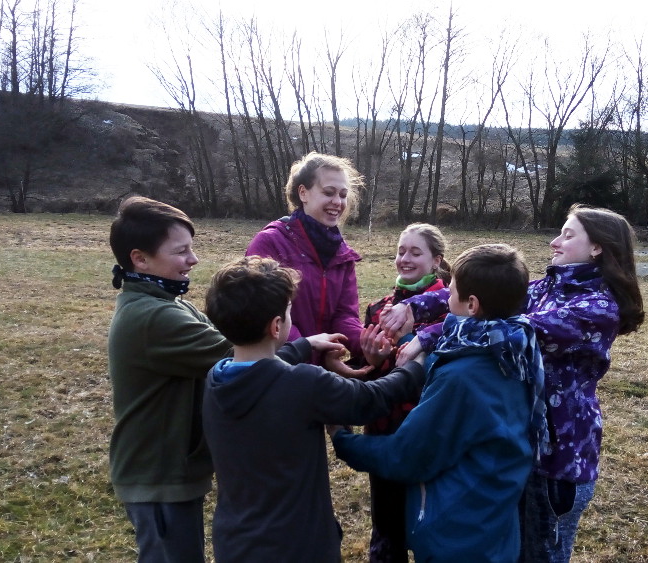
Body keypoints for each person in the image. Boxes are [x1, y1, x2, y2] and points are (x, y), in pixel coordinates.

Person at [383, 204, 646, 562]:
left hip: (557, 463)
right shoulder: (547, 289)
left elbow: (510, 331)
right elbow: (482, 292)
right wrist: (414, 307)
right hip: (523, 453)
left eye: (568, 235)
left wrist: (427, 336)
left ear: (597, 247)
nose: (554, 242)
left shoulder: (598, 308)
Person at [201, 255, 427, 563]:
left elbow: (262, 369)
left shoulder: (217, 379)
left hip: (236, 543)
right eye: (289, 311)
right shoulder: (303, 384)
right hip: (298, 546)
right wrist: (414, 367)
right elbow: (369, 399)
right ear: (277, 326)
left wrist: (305, 344)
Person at [330, 243, 546, 563]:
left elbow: (407, 456)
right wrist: (408, 346)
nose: (446, 297)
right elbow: (449, 356)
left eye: (452, 291)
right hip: (493, 524)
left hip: (457, 537)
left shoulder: (463, 377)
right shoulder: (516, 348)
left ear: (472, 305)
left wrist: (343, 439)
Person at [107, 196, 231, 562]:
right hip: (158, 478)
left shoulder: (169, 303)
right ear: (140, 259)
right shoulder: (154, 316)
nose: (193, 259)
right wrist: (303, 345)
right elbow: (240, 357)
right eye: (181, 251)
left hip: (170, 471)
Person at [356, 223, 451, 563]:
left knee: (434, 531)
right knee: (387, 527)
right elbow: (366, 374)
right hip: (385, 431)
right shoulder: (378, 308)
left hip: (430, 433)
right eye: (400, 251)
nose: (404, 259)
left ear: (436, 260)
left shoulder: (454, 309)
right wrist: (371, 361)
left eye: (415, 252)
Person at [244, 152, 365, 365]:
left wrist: (368, 345)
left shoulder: (342, 254)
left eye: (343, 195)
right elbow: (266, 314)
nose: (338, 202)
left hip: (319, 372)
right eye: (329, 192)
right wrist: (305, 354)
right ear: (303, 193)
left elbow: (345, 316)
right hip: (277, 367)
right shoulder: (270, 243)